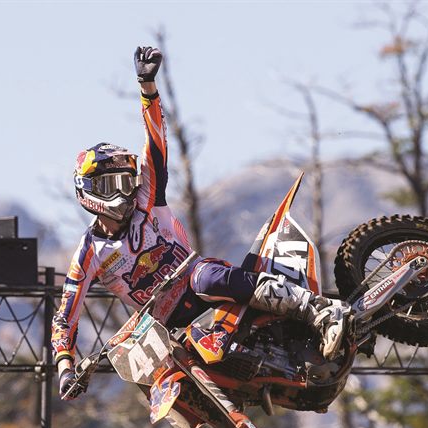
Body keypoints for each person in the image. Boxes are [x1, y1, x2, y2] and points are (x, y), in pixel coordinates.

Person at [53, 46, 352, 400]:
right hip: (167, 328)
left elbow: (156, 145)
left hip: (199, 284)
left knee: (204, 276)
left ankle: (321, 310)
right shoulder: (88, 254)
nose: (123, 192)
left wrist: (147, 88)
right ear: (88, 192)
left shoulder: (147, 201)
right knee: (169, 379)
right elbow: (65, 315)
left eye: (125, 180)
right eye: (110, 185)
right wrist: (65, 368)